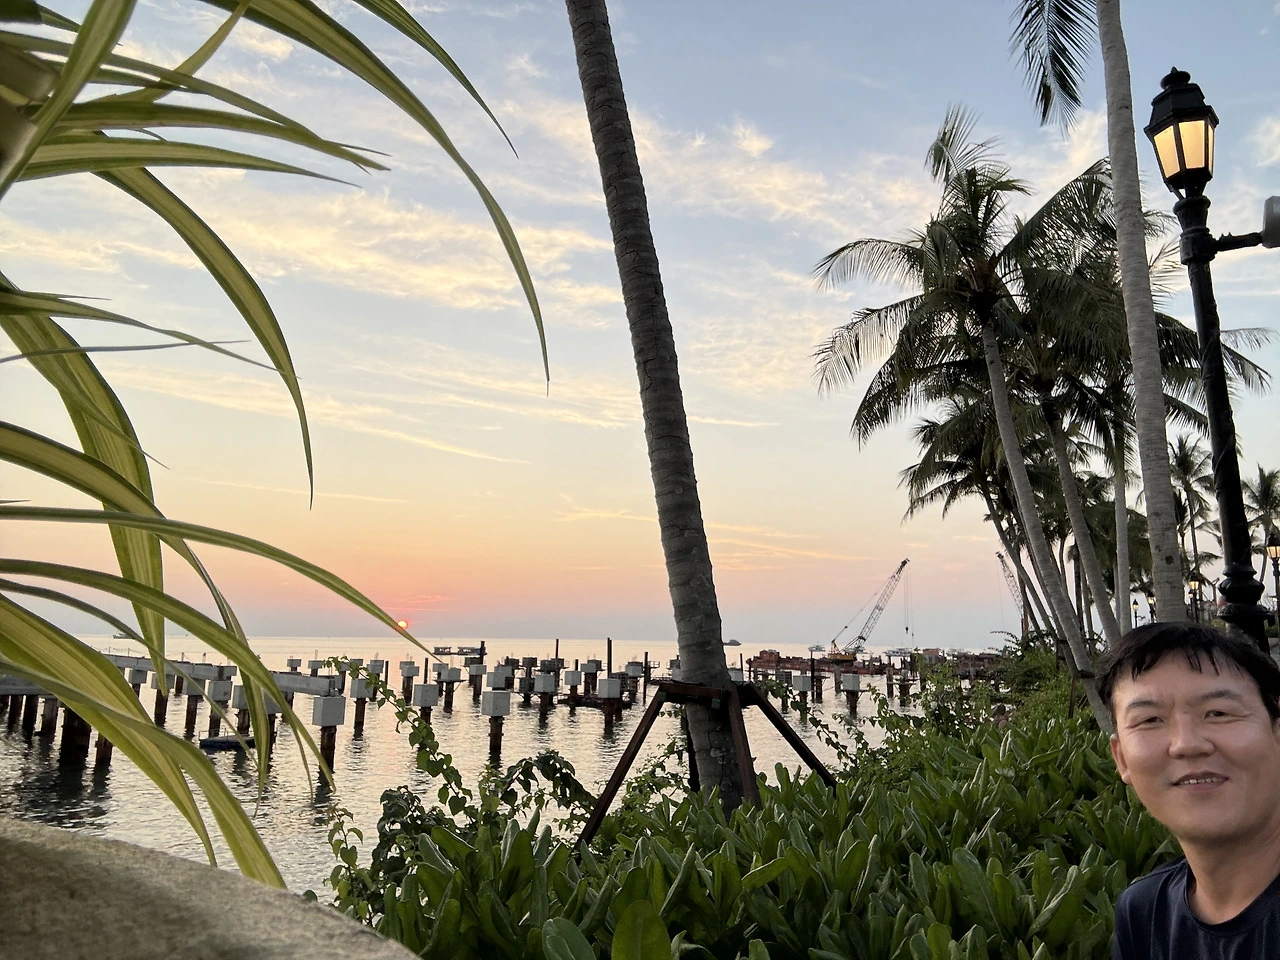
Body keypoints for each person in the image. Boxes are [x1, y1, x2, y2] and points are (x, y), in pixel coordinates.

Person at [1101, 621, 1280, 958]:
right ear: (1121, 758)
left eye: (1218, 713)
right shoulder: (1144, 914)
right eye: (1150, 720)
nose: (1186, 744)